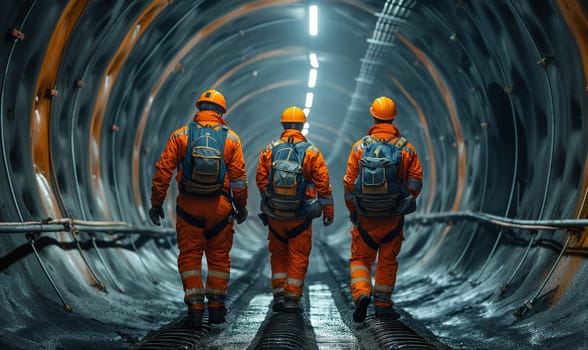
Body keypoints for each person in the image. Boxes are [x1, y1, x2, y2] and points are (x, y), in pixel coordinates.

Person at [149, 89, 248, 328]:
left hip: (189, 208)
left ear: (199, 108)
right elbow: (239, 179)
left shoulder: (181, 135)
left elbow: (163, 171)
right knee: (219, 258)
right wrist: (241, 206)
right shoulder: (231, 139)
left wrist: (156, 203)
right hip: (220, 209)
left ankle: (194, 309)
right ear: (222, 112)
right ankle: (216, 308)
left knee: (190, 256)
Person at [343, 96, 423, 323]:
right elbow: (416, 179)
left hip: (366, 216)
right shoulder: (406, 148)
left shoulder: (360, 146)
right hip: (393, 216)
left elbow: (349, 183)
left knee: (360, 259)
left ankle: (362, 293)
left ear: (373, 116)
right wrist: (405, 199)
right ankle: (383, 305)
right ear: (394, 116)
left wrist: (353, 209)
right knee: (388, 260)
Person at [256, 106, 334, 313]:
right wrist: (328, 212)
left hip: (275, 215)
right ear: (302, 125)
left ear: (282, 125)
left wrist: (271, 201)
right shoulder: (311, 151)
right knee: (298, 256)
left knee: (278, 254)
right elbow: (323, 186)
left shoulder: (268, 149)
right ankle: (292, 297)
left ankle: (279, 294)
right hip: (301, 215)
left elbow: (261, 180)